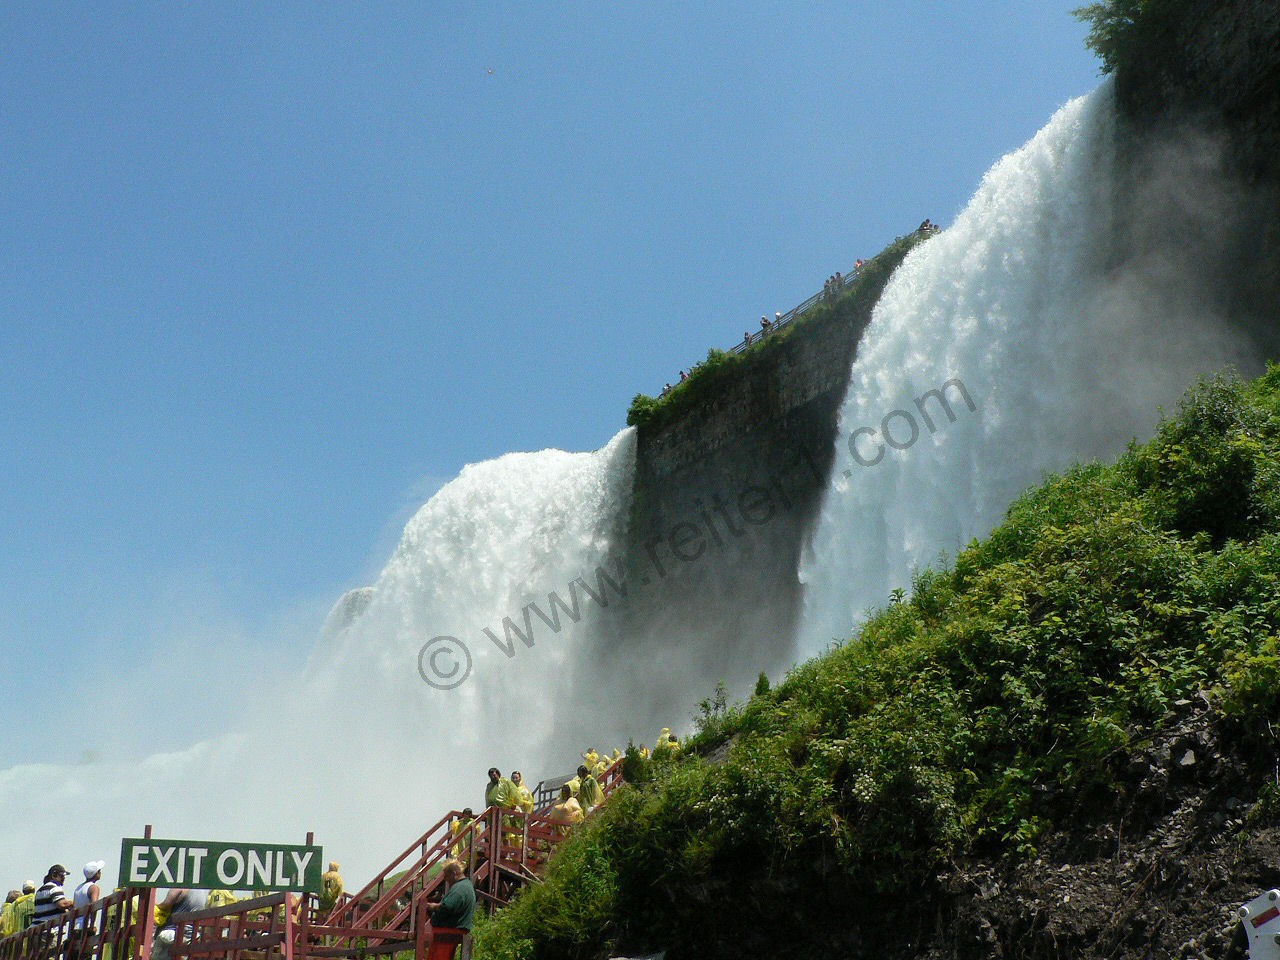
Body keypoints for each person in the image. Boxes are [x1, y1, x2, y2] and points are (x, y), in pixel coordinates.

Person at [425, 860, 476, 935]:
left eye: (447, 875)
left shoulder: (459, 889)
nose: (445, 879)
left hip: (449, 935)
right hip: (452, 933)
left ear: (454, 873)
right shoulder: (465, 885)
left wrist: (433, 907)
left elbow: (447, 906)